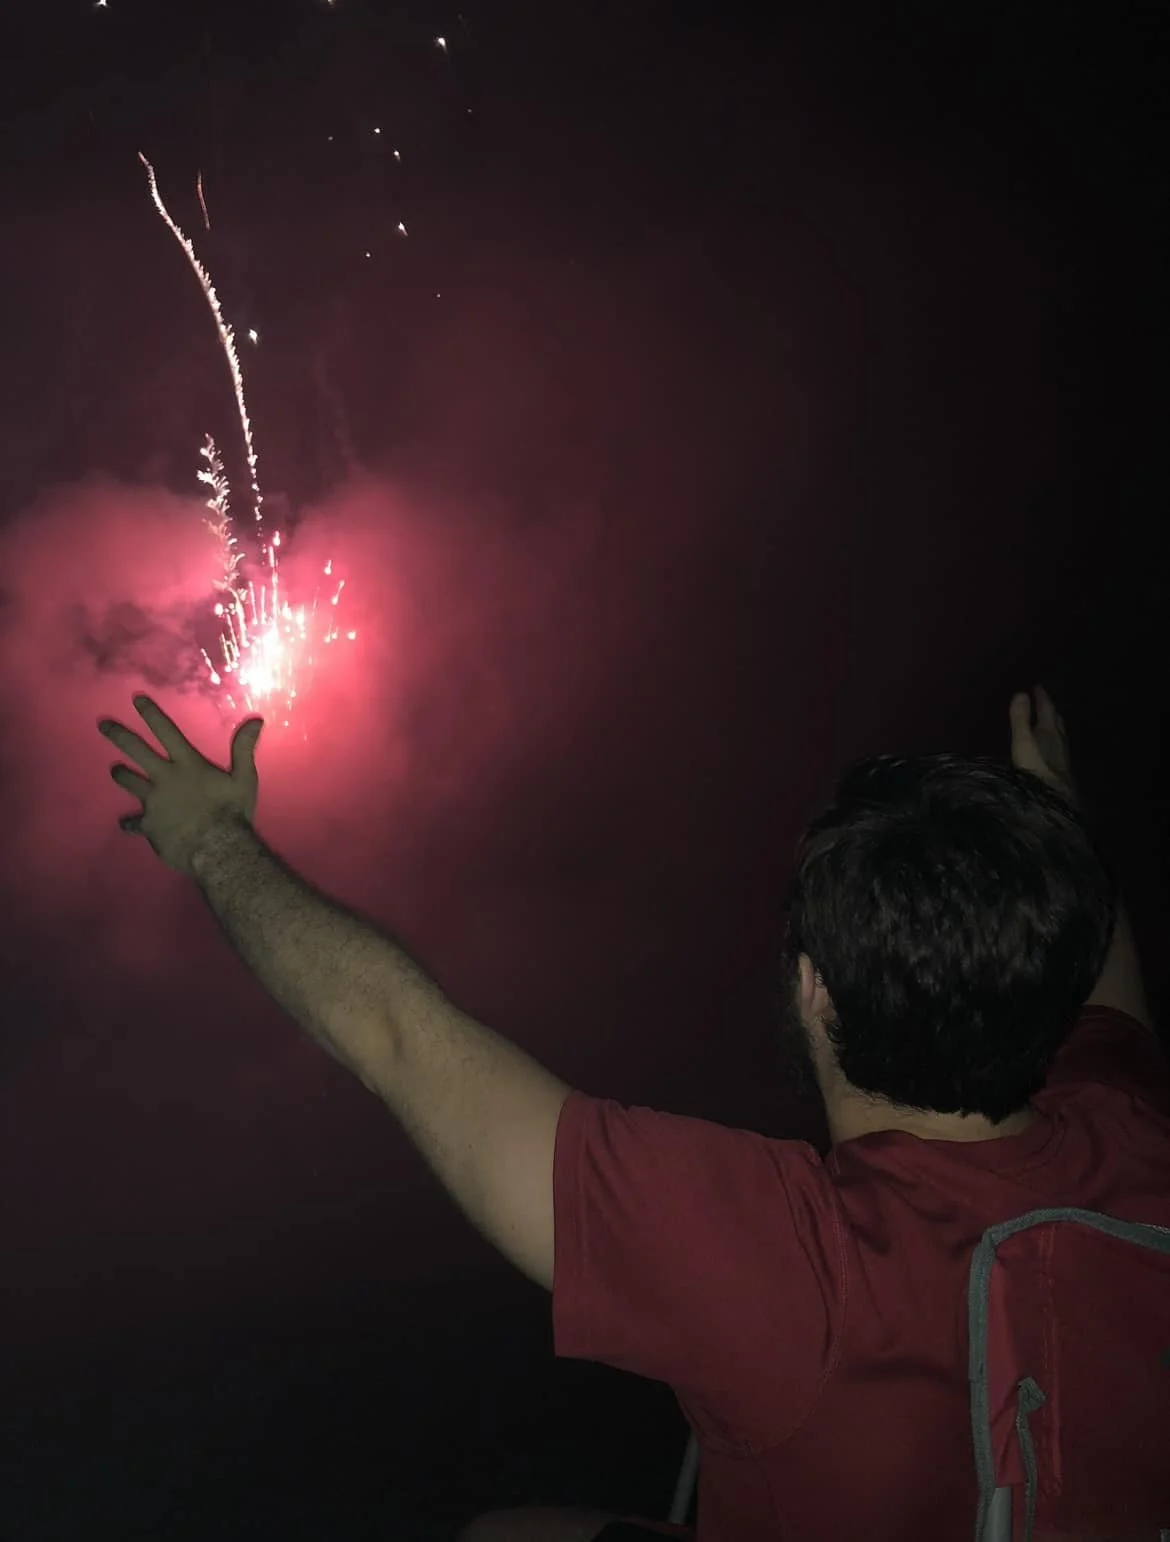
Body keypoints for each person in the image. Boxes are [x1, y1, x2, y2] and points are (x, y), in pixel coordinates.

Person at [97, 686, 1168, 1542]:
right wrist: (1052, 836)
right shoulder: (1129, 1140)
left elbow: (393, 1033)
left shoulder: (787, 1263)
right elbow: (1111, 992)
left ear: (814, 989)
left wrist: (211, 841)